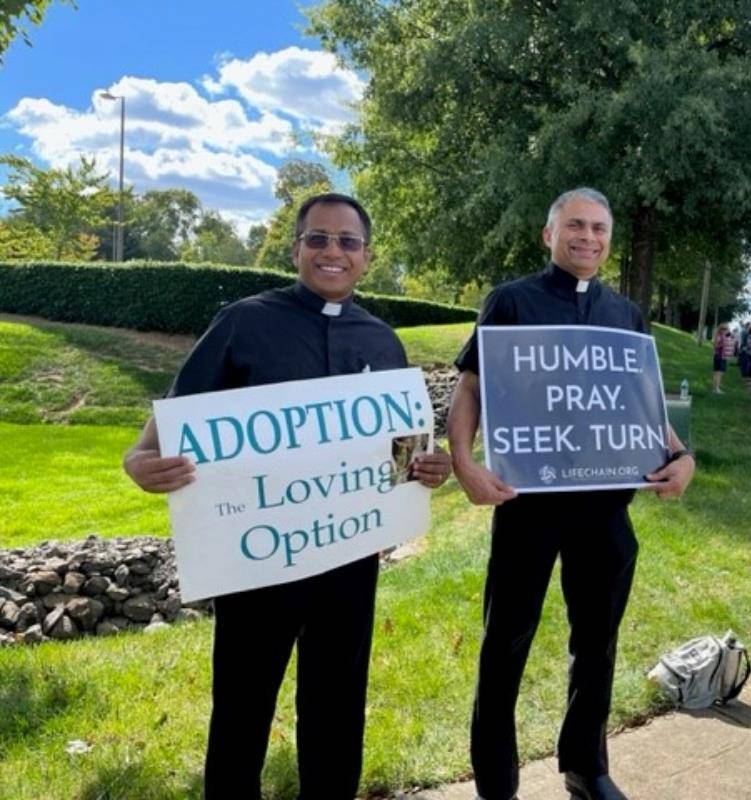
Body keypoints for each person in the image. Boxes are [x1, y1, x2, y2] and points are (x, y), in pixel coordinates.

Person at [122, 192, 453, 800]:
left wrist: (432, 469)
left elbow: (404, 455)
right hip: (256, 562)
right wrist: (136, 460)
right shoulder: (243, 322)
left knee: (337, 707)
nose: (333, 252)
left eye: (347, 242)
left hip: (348, 560)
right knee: (243, 709)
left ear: (367, 257)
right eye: (319, 239)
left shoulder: (384, 342)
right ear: (296, 248)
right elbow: (175, 417)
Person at [447, 187, 695, 800]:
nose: (589, 238)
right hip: (526, 507)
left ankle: (586, 766)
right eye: (576, 226)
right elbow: (472, 390)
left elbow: (640, 406)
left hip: (605, 510)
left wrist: (681, 454)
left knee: (598, 643)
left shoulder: (627, 315)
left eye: (600, 229)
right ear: (549, 234)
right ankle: (496, 783)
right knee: (505, 642)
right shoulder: (510, 302)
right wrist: (463, 464)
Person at [712, 323, 729, 394]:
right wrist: (723, 344)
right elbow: (716, 345)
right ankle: (717, 388)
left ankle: (715, 387)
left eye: (726, 329)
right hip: (719, 356)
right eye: (723, 329)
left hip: (722, 356)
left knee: (718, 372)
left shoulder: (723, 336)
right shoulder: (719, 336)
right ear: (720, 329)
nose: (724, 330)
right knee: (718, 372)